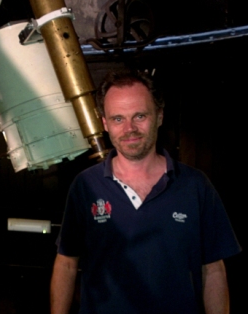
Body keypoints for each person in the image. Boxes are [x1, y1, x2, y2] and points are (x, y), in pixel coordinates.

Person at [50, 69, 241, 314]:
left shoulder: (195, 185)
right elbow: (66, 263)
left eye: (139, 116)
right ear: (105, 124)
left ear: (159, 116)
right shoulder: (85, 185)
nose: (129, 128)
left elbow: (213, 268)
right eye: (118, 119)